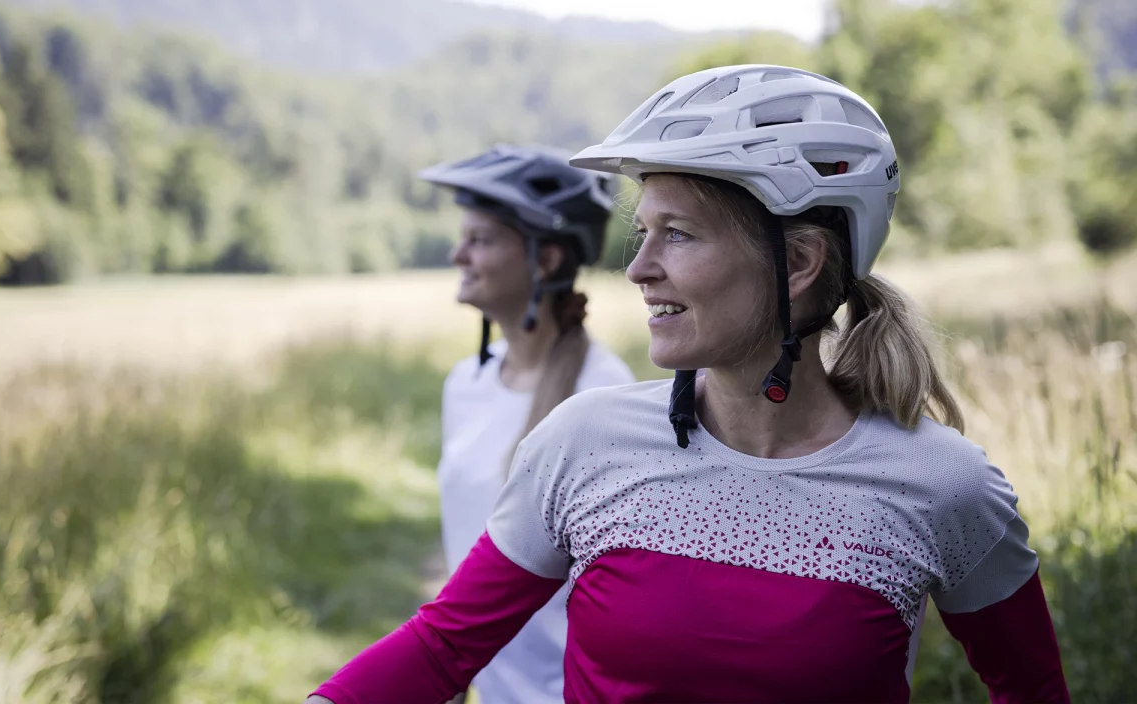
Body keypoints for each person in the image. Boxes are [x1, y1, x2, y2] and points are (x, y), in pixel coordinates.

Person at [306, 66, 1069, 703]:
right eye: (644, 233)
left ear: (798, 262)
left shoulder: (943, 486)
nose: (639, 270)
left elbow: (1031, 689)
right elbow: (444, 648)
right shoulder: (585, 443)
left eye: (678, 234)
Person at [422, 144, 634, 704]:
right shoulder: (465, 383)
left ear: (545, 260)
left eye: (480, 240)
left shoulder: (604, 395)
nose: (456, 254)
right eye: (462, 237)